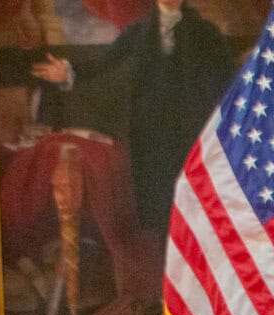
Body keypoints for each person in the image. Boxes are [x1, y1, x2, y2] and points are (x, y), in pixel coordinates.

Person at [29, 0, 236, 233]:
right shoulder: (137, 33)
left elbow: (228, 88)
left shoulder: (206, 35)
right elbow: (104, 67)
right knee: (159, 219)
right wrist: (69, 74)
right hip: (151, 144)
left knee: (196, 217)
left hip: (192, 138)